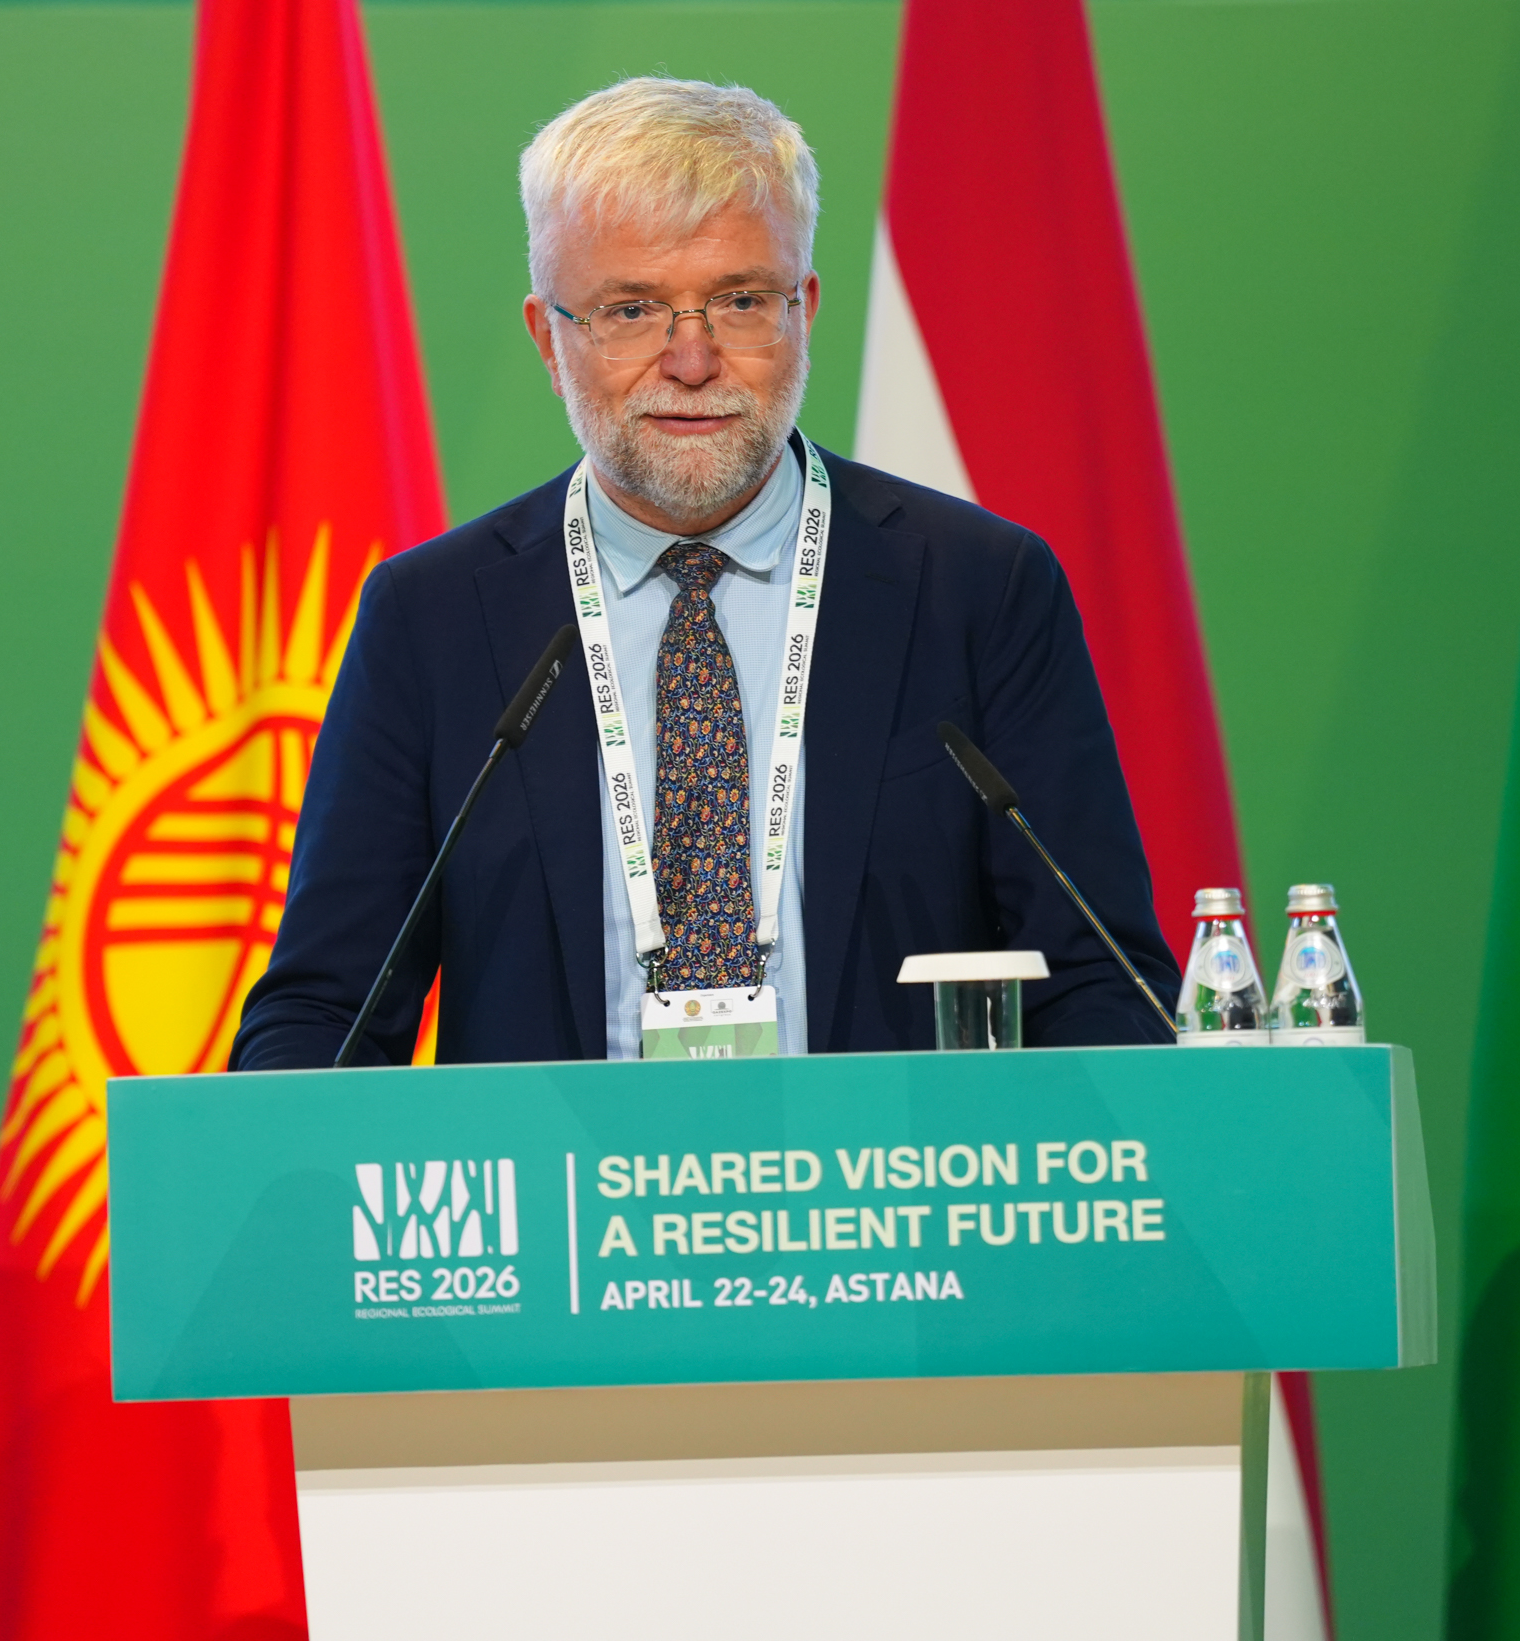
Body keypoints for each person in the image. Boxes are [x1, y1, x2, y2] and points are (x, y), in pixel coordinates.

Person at [226, 77, 1176, 1067]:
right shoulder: (434, 620)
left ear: (804, 311)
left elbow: (1102, 986)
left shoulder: (977, 590)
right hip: (558, 1172)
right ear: (548, 339)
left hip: (880, 1168)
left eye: (740, 301)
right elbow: (324, 1016)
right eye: (632, 310)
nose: (691, 360)